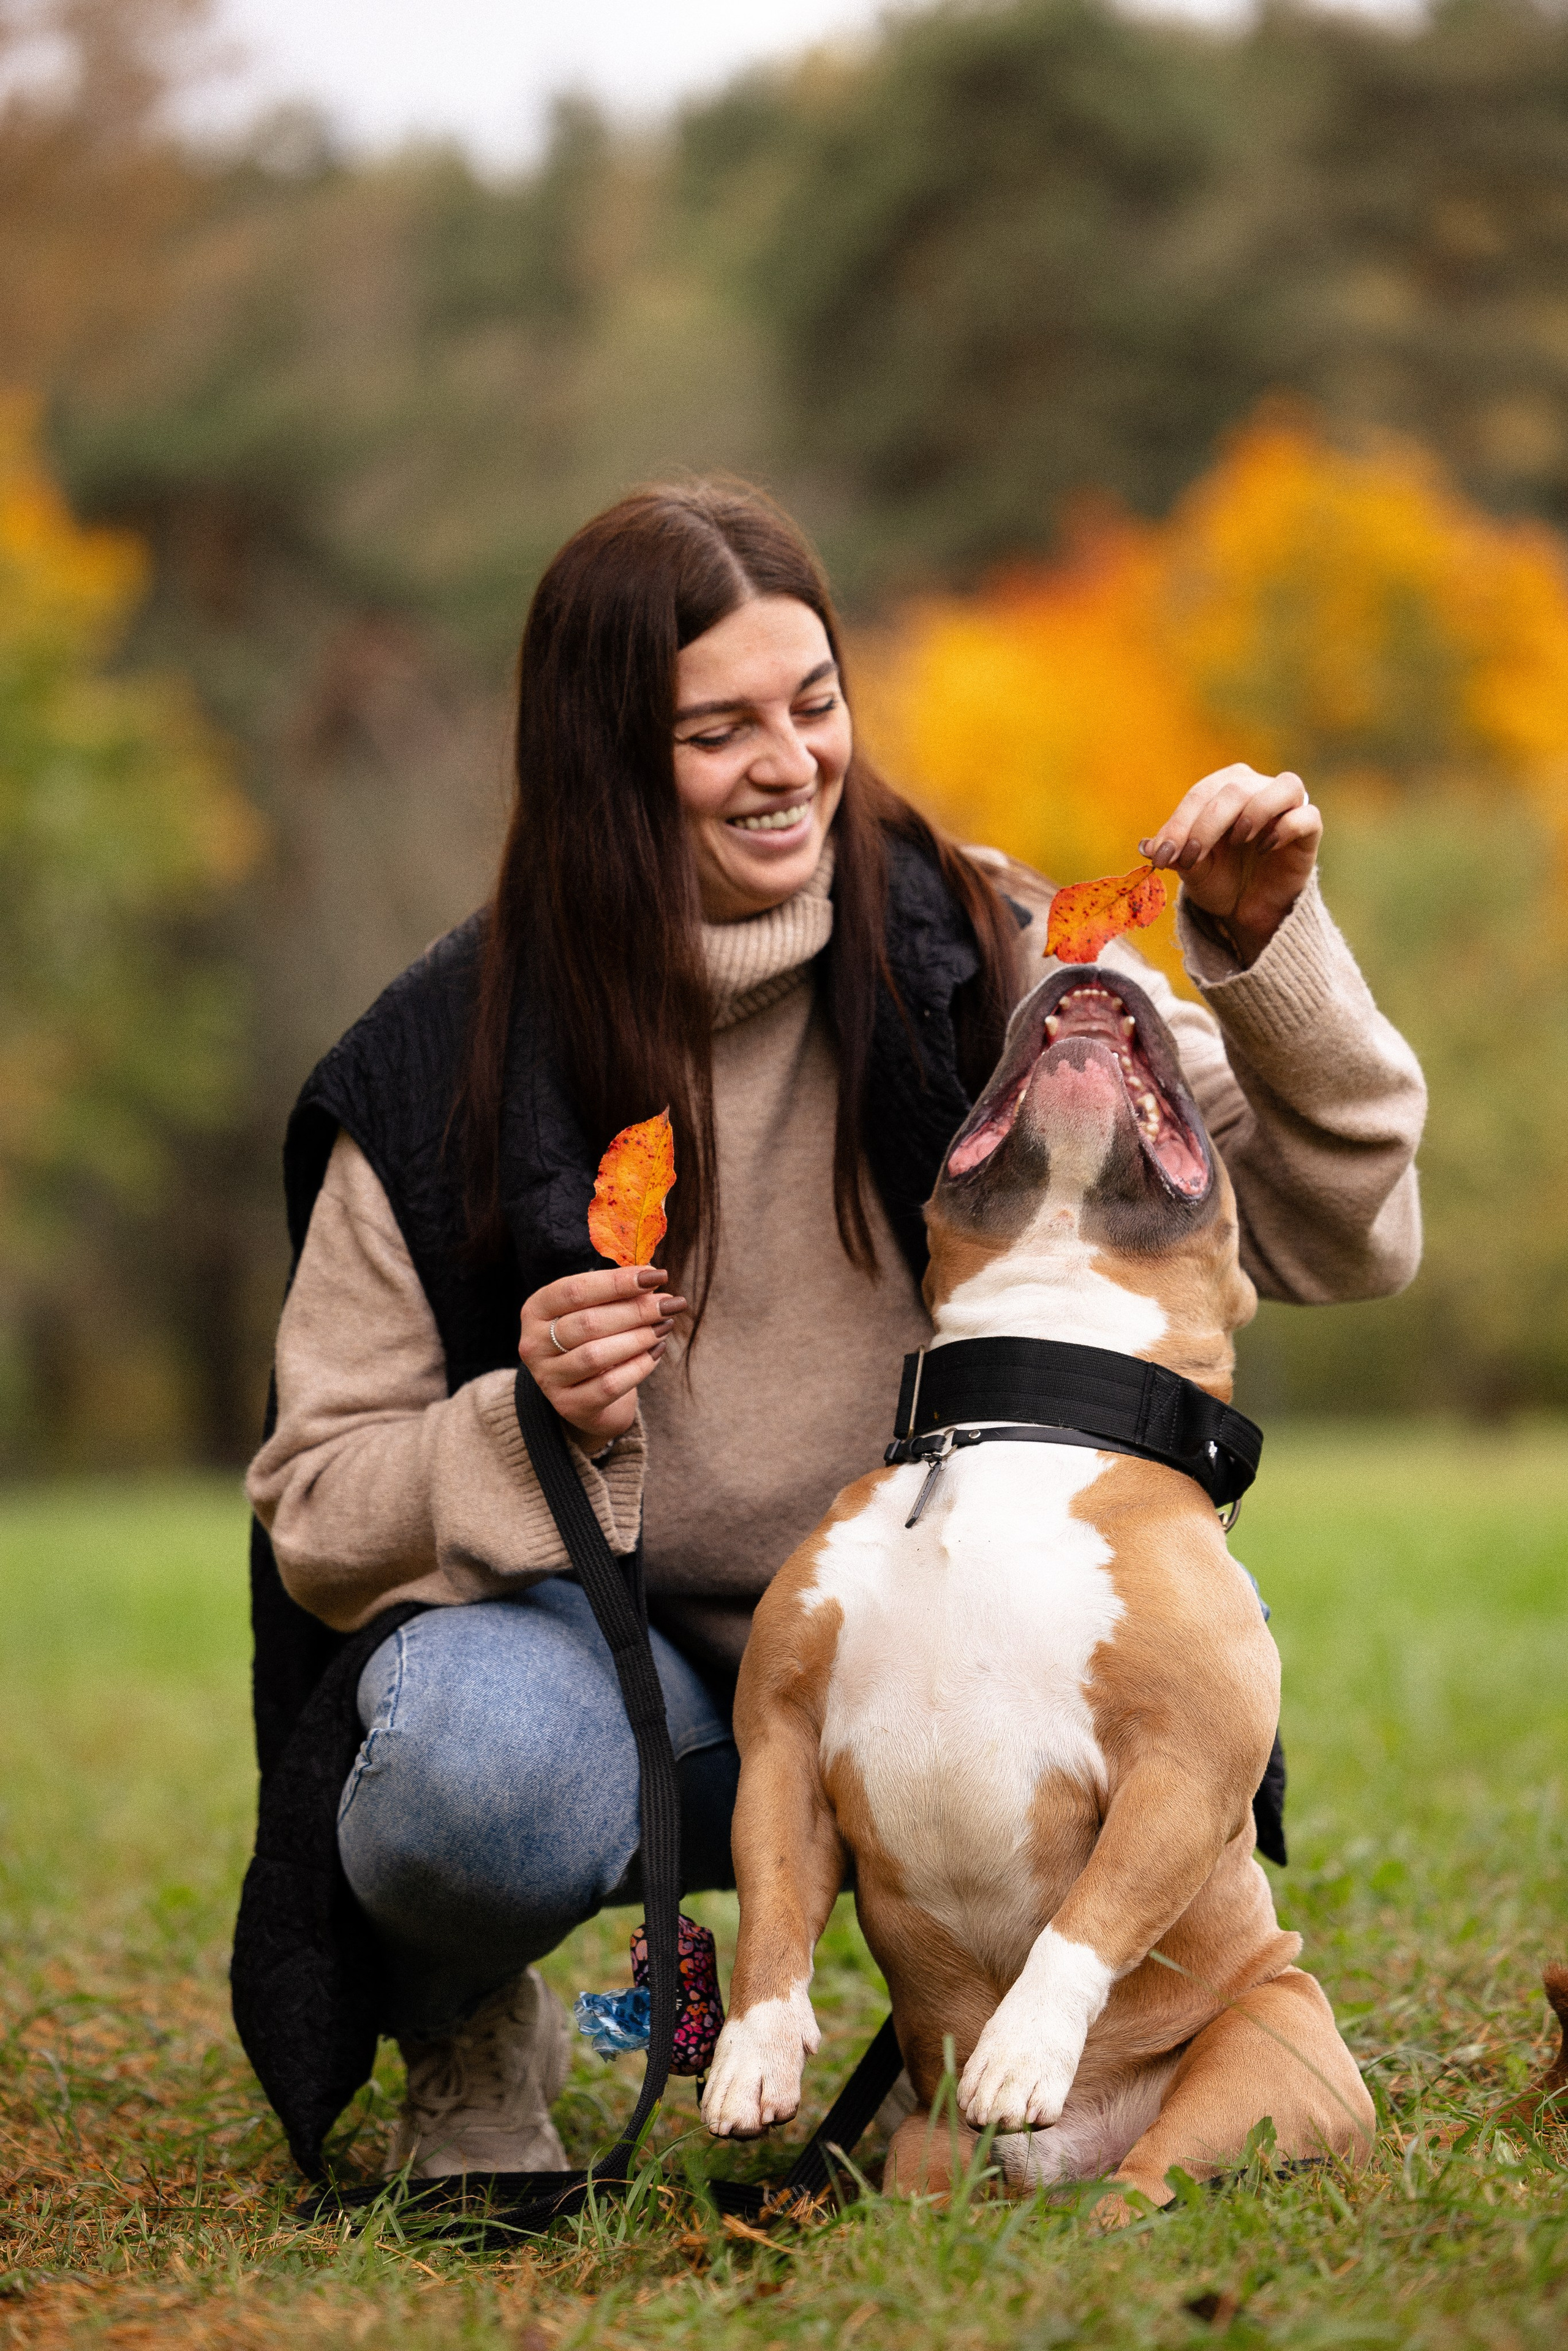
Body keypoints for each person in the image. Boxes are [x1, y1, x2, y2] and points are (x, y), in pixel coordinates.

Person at [241, 479, 1425, 2178]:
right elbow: (314, 1509)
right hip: (629, 1687)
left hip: (951, 1671)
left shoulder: (981, 947)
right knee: (468, 1767)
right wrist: (522, 1420)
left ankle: (1023, 2016)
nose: (789, 763)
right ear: (600, 760)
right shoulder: (438, 1066)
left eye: (814, 704)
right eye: (715, 731)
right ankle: (468, 2012)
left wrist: (1262, 953)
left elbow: (1342, 1230)